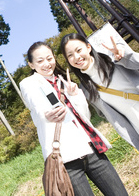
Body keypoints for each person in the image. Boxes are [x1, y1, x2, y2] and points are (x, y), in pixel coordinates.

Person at [19, 41, 128, 196]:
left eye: (49, 58)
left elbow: (85, 116)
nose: (46, 64)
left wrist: (75, 95)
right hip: (66, 160)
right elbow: (36, 105)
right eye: (40, 61)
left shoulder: (64, 80)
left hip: (91, 149)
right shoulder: (29, 84)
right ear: (31, 65)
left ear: (54, 58)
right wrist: (45, 113)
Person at [60, 33, 139, 150]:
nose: (76, 57)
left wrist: (125, 57)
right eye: (70, 55)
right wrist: (74, 97)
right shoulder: (86, 89)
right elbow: (103, 113)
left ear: (88, 47)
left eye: (79, 50)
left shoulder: (112, 59)